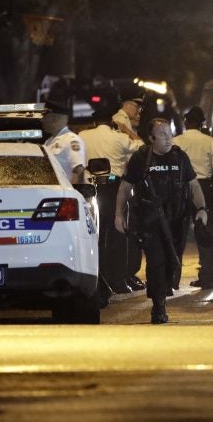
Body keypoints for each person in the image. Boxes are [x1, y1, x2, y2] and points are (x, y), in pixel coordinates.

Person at [114, 118, 207, 324]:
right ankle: (158, 306)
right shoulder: (141, 158)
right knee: (156, 262)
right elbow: (124, 188)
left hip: (176, 221)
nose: (168, 139)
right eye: (162, 135)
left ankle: (164, 290)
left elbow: (194, 185)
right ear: (151, 138)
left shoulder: (180, 157)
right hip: (151, 222)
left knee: (172, 262)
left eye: (170, 134)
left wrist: (201, 209)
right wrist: (119, 215)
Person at [79, 106, 144, 296]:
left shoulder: (83, 135)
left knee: (95, 236)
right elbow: (141, 146)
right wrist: (127, 130)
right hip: (115, 189)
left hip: (90, 190)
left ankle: (99, 279)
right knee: (118, 234)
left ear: (93, 122)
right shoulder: (120, 137)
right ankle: (118, 281)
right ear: (111, 122)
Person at [173, 107, 213, 290]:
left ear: (186, 122)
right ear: (202, 124)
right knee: (205, 232)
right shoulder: (211, 142)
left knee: (177, 232)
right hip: (203, 188)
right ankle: (209, 278)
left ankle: (173, 279)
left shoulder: (175, 142)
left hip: (180, 188)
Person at [42, 99, 85, 184]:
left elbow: (79, 171)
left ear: (55, 120)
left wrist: (72, 194)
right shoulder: (48, 142)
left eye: (45, 117)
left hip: (64, 194)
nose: (42, 120)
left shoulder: (71, 140)